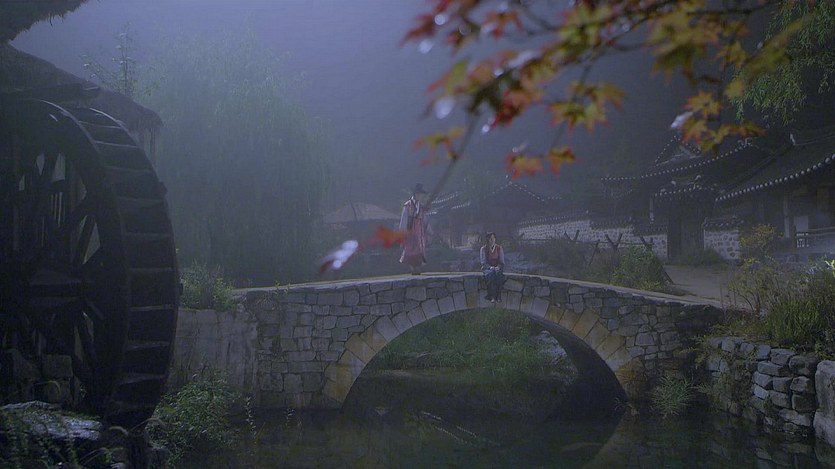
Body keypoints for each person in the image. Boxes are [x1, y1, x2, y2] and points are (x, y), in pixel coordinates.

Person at [399, 183, 429, 274]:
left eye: (420, 194)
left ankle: (417, 267)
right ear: (414, 194)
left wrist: (428, 229)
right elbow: (404, 219)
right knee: (411, 249)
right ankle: (412, 268)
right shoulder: (407, 205)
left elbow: (424, 219)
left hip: (419, 231)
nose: (419, 195)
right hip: (410, 231)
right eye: (418, 193)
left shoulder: (421, 206)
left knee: (419, 249)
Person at [480, 232, 505, 303]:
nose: (492, 240)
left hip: (497, 267)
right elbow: (483, 262)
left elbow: (502, 261)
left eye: (493, 238)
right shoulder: (483, 249)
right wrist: (490, 267)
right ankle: (492, 296)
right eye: (490, 239)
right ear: (487, 240)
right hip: (487, 268)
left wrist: (498, 267)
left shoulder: (499, 248)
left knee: (499, 275)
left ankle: (498, 296)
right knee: (491, 274)